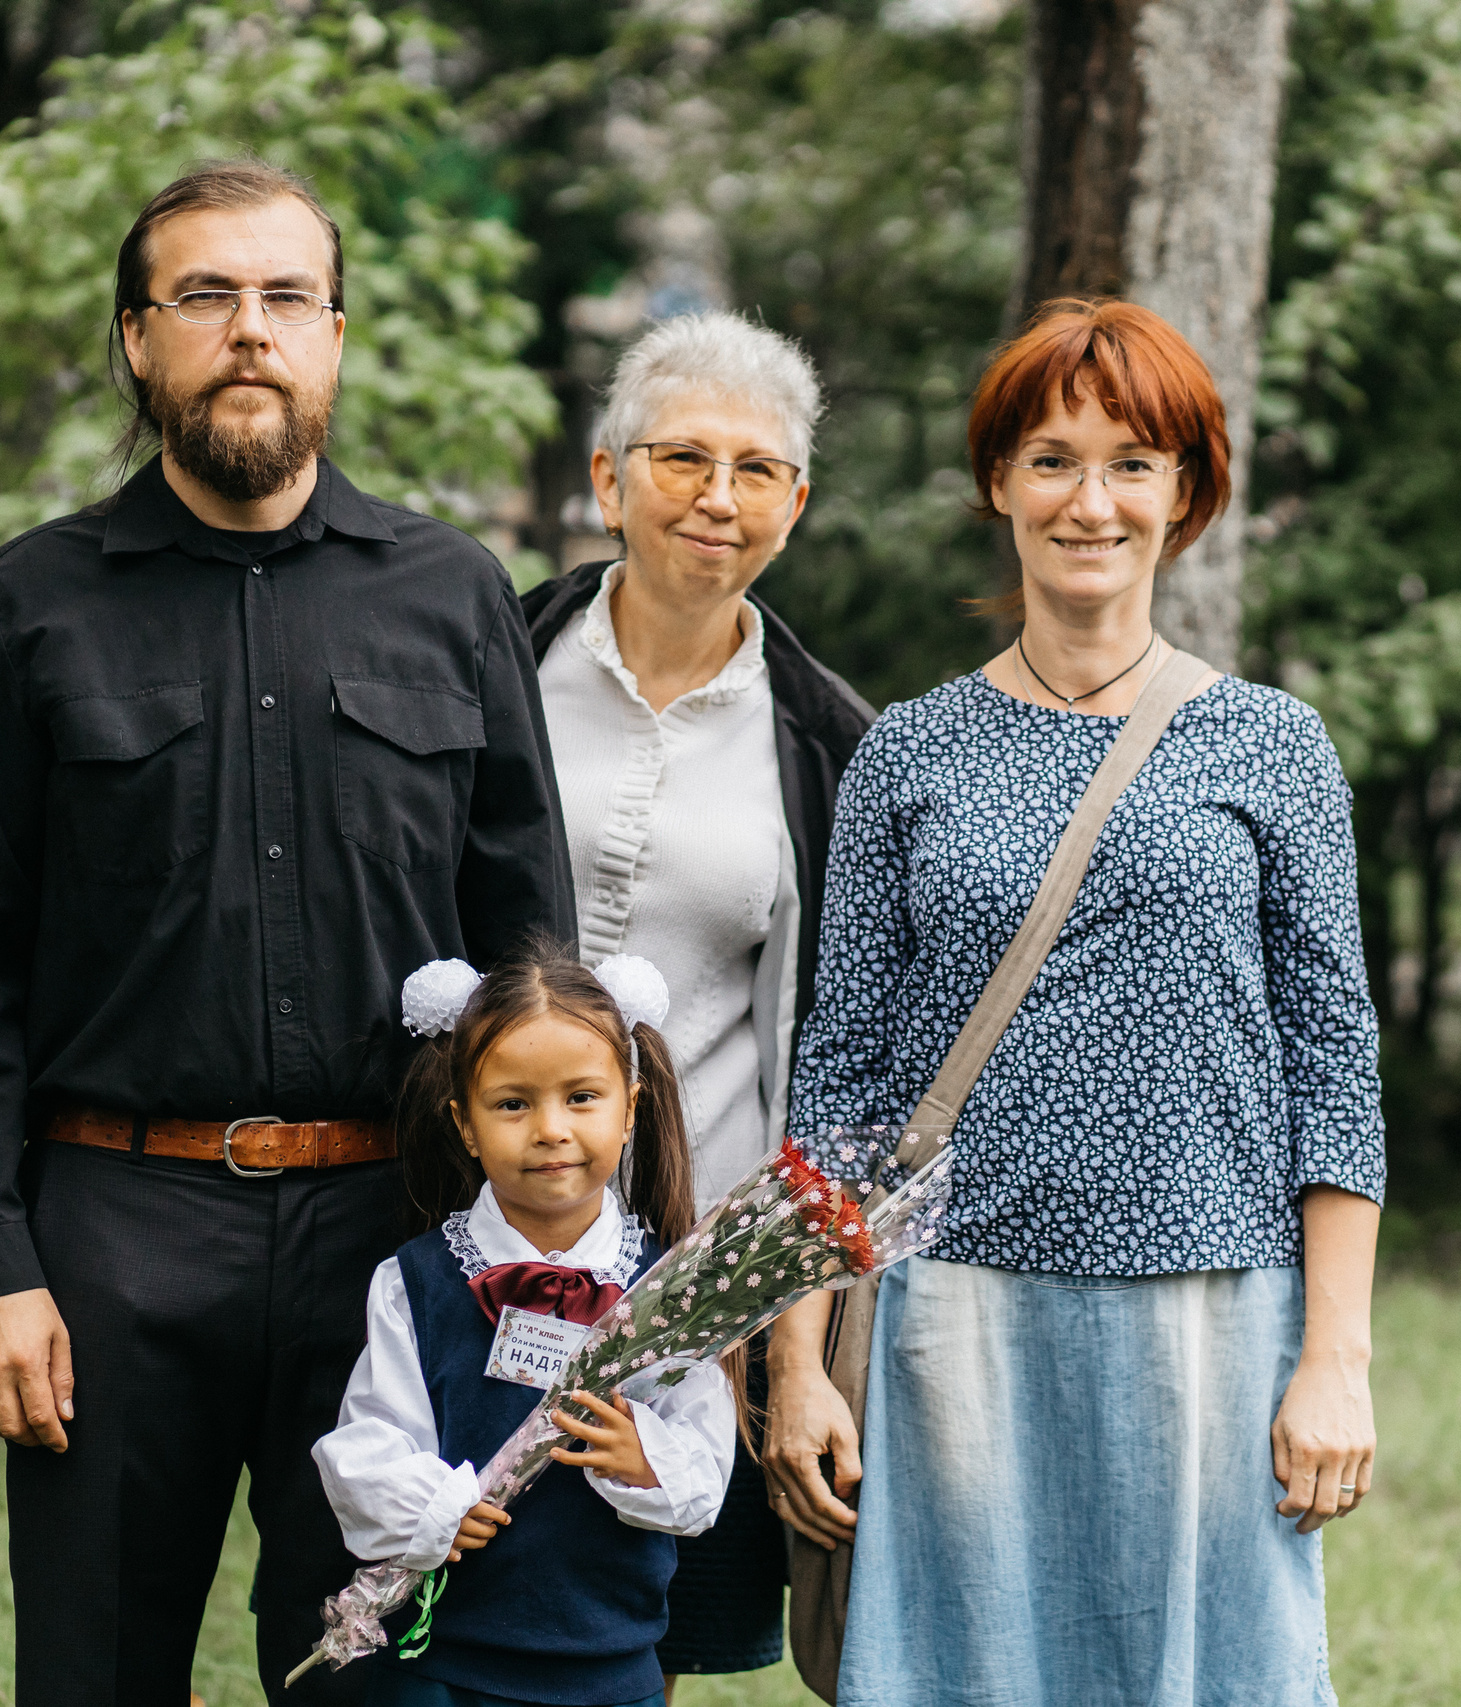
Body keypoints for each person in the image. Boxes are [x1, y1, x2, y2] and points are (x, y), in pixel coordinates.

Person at [0, 159, 572, 1705]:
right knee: (95, 1668)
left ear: (335, 336)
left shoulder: (454, 594)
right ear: (139, 340)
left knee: (366, 1669)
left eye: (285, 298)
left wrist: (530, 1230)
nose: (248, 330)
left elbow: (528, 945)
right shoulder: (30, 606)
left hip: (388, 1235)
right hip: (112, 1232)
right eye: (205, 296)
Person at [766, 298, 1387, 1707]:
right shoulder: (907, 753)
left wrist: (1334, 1361)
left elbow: (1337, 1076)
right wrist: (797, 1362)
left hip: (1212, 1319)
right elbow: (841, 1082)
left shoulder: (1273, 745)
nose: (1089, 500)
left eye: (1132, 461)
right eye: (1052, 458)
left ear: (1186, 492)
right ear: (997, 481)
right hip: (952, 1322)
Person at [518, 312, 875, 1683]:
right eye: (682, 457)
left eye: (757, 468)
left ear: (795, 504)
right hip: (468, 1250)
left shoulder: (832, 741)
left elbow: (827, 1070)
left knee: (630, 1646)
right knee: (436, 1597)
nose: (716, 496)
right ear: (610, 478)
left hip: (694, 1282)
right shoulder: (493, 665)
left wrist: (790, 1348)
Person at [314, 946, 736, 1707]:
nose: (550, 1128)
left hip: (609, 1668)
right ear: (465, 1123)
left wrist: (647, 1456)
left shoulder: (671, 1293)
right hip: (445, 1671)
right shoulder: (417, 1283)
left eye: (581, 1097)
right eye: (513, 1103)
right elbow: (366, 1445)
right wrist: (434, 1506)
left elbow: (704, 1473)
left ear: (631, 1106)